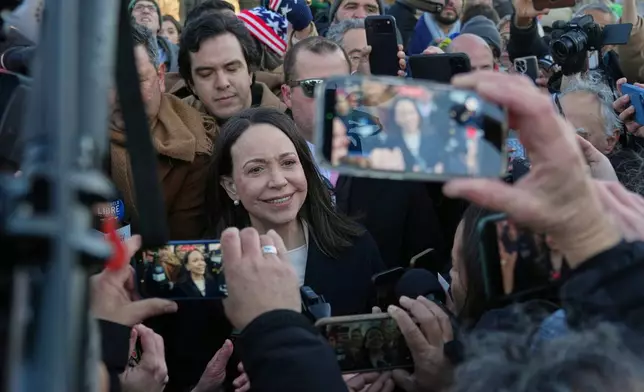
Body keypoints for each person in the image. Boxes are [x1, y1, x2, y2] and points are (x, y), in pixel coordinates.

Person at [206, 106, 385, 315]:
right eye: (256, 169)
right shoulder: (209, 269)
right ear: (231, 187)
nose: (278, 181)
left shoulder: (357, 247)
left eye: (288, 163)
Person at [109, 23, 214, 240]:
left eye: (137, 80)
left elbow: (179, 250)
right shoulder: (65, 138)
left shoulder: (195, 147)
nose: (123, 95)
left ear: (160, 76)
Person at [178, 12, 286, 123]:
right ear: (191, 84)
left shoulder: (292, 126)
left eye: (232, 69)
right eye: (206, 74)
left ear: (250, 72)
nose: (222, 83)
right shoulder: (174, 124)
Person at [129, 0, 180, 72]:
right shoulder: (113, 50)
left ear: (159, 24)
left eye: (151, 8)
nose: (146, 11)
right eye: (139, 7)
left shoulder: (181, 54)